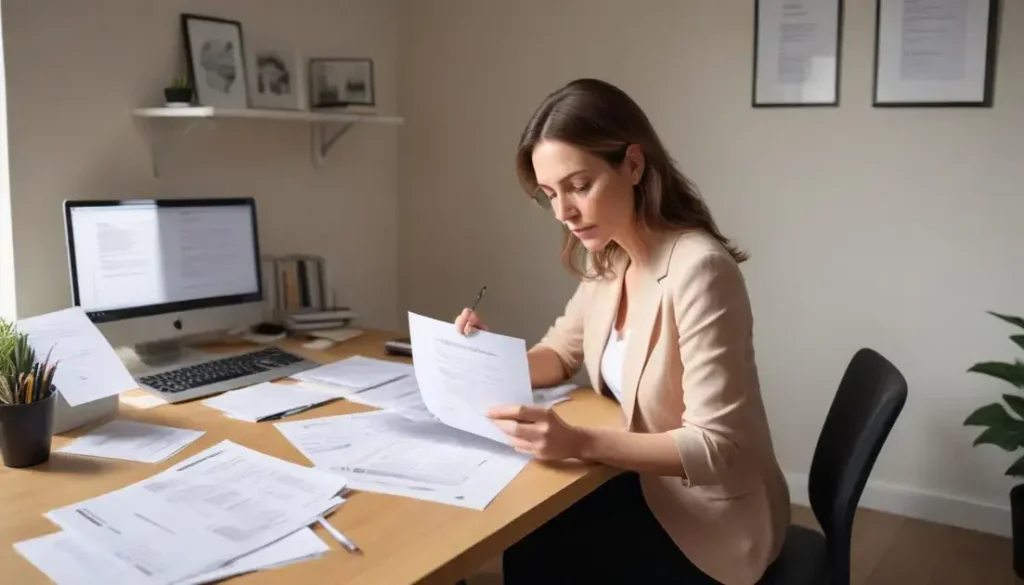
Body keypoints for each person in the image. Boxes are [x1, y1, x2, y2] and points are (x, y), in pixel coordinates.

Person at [454, 78, 791, 585]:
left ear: (633, 165)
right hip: (644, 484)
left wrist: (578, 441)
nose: (563, 213)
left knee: (535, 553)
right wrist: (484, 360)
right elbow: (561, 353)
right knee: (527, 537)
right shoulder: (610, 253)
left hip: (710, 522)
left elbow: (717, 447)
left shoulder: (700, 269)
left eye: (578, 186)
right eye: (549, 194)